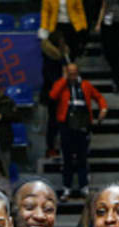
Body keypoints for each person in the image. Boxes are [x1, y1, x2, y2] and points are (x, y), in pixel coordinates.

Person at [48, 63, 107, 200]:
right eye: (70, 73)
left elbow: (99, 97)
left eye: (75, 73)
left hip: (82, 123)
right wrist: (64, 79)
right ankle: (67, 188)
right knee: (67, 158)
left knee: (82, 157)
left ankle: (84, 187)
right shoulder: (62, 85)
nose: (73, 76)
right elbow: (52, 96)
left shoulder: (86, 85)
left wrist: (103, 109)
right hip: (66, 125)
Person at [40, 30, 72, 158]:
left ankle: (65, 146)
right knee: (53, 121)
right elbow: (53, 79)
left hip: (64, 93)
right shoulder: (50, 59)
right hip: (53, 94)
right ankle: (51, 148)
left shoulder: (64, 56)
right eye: (61, 41)